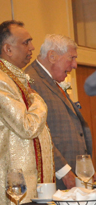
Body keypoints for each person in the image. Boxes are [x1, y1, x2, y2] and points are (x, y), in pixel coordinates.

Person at [0, 20, 54, 205]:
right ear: (8, 49)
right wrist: (38, 101)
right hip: (15, 190)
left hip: (29, 184)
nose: (32, 47)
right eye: (26, 42)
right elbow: (27, 127)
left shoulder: (15, 78)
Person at [25, 34, 93, 189]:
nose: (75, 65)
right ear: (52, 56)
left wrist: (86, 167)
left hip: (76, 177)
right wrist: (64, 171)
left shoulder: (51, 81)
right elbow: (38, 133)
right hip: (57, 181)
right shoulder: (30, 81)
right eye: (71, 58)